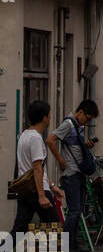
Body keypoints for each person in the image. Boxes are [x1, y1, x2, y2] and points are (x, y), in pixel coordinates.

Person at [47, 98, 99, 247]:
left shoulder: (77, 126)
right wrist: (60, 160)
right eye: (87, 118)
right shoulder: (68, 124)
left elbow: (75, 148)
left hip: (79, 172)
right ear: (81, 112)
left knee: (78, 210)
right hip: (70, 174)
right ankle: (67, 244)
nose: (86, 122)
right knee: (74, 210)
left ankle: (73, 242)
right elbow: (50, 140)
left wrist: (86, 146)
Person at [11, 100, 59, 235]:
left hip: (26, 190)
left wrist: (52, 186)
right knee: (54, 227)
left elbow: (35, 168)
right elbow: (37, 168)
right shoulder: (36, 139)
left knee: (19, 230)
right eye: (49, 115)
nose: (50, 118)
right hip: (37, 190)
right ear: (44, 118)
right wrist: (42, 196)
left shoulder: (24, 135)